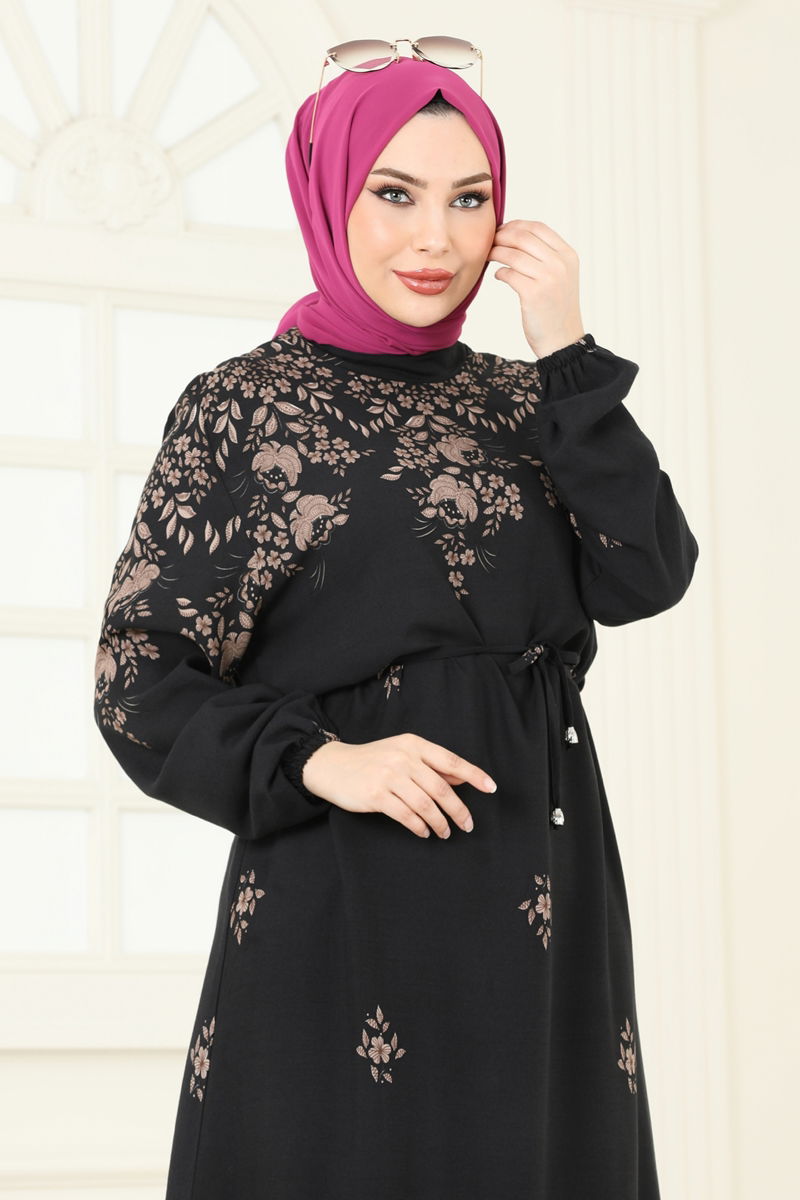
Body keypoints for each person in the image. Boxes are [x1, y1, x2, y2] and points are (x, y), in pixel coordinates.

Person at [93, 49, 698, 1200]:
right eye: (394, 194)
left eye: (469, 199)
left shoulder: (525, 400)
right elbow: (139, 676)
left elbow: (646, 571)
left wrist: (566, 352)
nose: (435, 239)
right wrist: (322, 760)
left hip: (540, 889)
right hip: (347, 890)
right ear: (328, 196)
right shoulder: (245, 407)